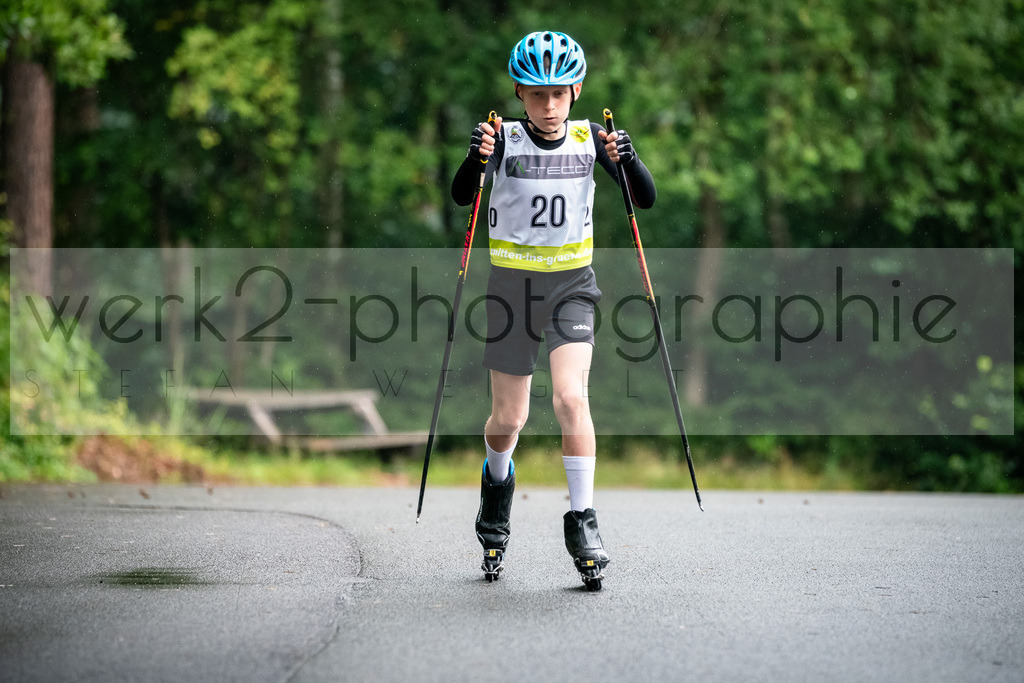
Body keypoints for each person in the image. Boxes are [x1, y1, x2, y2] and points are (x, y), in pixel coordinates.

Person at [451, 30, 656, 590]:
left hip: (571, 286)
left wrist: (630, 160)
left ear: (576, 92)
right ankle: (498, 486)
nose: (547, 106)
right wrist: (475, 158)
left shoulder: (593, 140)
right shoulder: (505, 139)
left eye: (558, 94)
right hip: (512, 289)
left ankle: (583, 520)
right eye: (537, 94)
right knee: (509, 420)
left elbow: (644, 198)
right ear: (519, 93)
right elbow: (462, 195)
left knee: (570, 397)